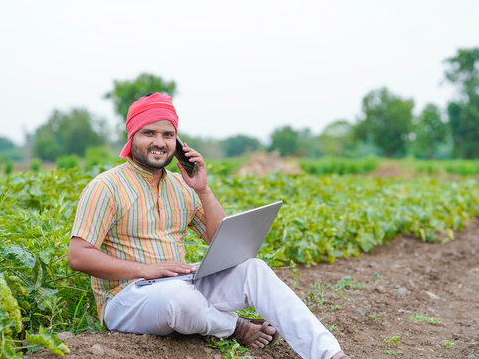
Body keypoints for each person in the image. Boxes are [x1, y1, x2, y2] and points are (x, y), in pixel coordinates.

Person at [67, 93, 350, 359]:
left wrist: (203, 189)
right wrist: (146, 270)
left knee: (254, 269)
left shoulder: (181, 187)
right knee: (178, 298)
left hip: (180, 284)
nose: (160, 142)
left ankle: (329, 353)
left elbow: (219, 239)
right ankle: (237, 327)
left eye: (168, 135)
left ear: (177, 143)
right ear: (132, 137)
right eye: (149, 133)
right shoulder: (106, 187)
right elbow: (78, 255)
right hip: (126, 298)